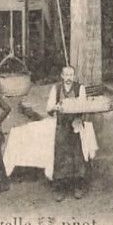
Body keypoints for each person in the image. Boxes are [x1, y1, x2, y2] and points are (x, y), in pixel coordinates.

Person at [46, 65, 95, 201]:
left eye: (71, 75)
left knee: (77, 155)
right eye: (66, 75)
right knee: (61, 155)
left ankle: (78, 186)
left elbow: (84, 106)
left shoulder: (80, 88)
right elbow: (48, 108)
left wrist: (78, 115)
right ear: (62, 76)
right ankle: (60, 188)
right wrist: (55, 107)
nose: (68, 78)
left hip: (76, 125)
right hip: (62, 126)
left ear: (74, 76)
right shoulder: (56, 89)